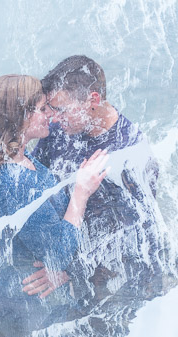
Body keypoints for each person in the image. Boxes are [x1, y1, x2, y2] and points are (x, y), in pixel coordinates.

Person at [0, 74, 108, 337]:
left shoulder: (3, 156)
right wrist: (81, 193)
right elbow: (56, 255)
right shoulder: (15, 181)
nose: (50, 115)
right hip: (25, 306)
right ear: (19, 117)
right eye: (43, 109)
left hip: (0, 287)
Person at [30, 55, 162, 301]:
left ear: (93, 100)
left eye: (60, 109)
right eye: (51, 109)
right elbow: (32, 177)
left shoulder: (131, 156)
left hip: (107, 282)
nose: (54, 118)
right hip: (59, 247)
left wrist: (68, 271)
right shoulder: (59, 130)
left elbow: (136, 237)